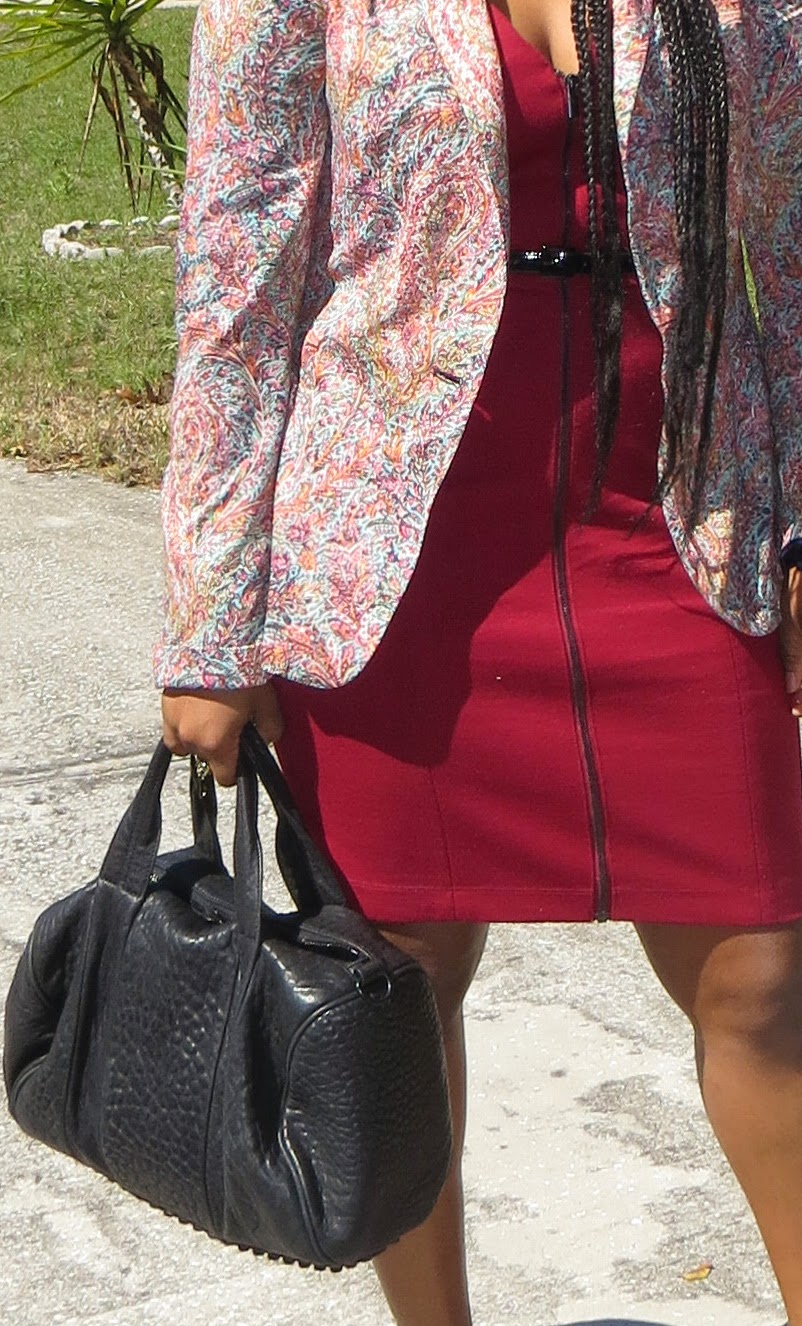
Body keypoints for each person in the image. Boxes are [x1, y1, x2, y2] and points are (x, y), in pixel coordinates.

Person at [157, 0, 802, 1321]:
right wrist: (211, 624)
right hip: (405, 552)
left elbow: (789, 247)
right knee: (397, 988)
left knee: (761, 976)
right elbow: (236, 280)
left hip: (678, 513)